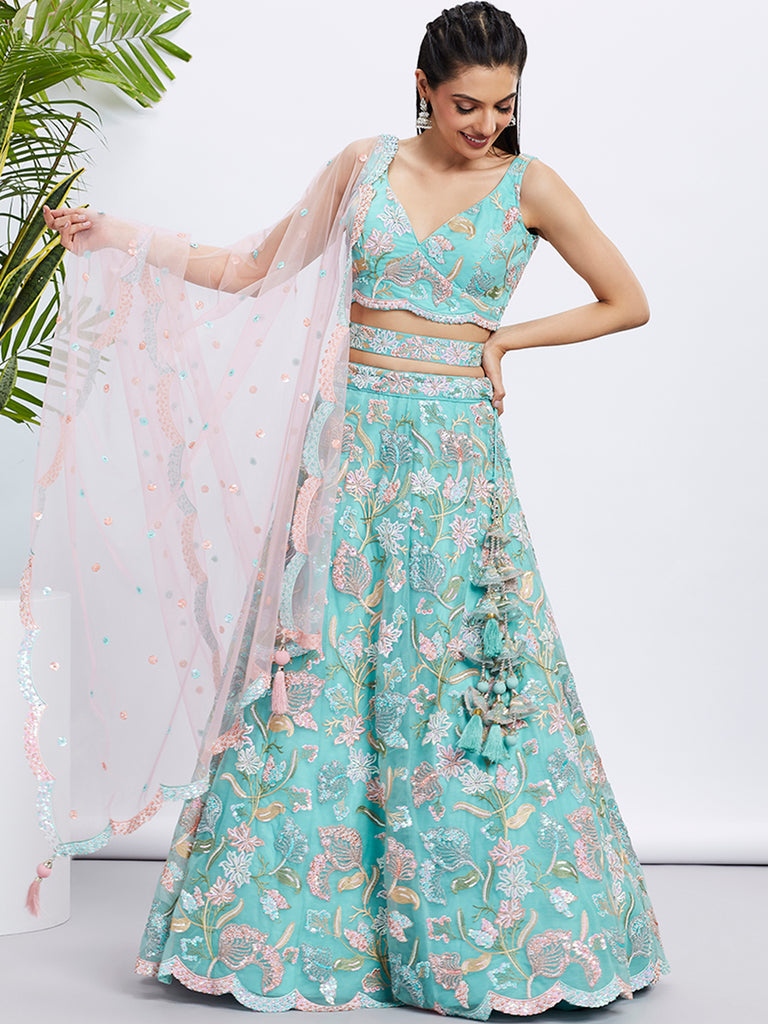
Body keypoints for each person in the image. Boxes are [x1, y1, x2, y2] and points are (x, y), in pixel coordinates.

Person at [36, 2, 669, 1016]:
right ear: (423, 88)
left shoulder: (531, 185)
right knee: (316, 676)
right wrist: (119, 236)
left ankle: (480, 933)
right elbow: (252, 270)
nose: (487, 125)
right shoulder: (362, 166)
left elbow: (626, 300)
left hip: (455, 465)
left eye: (504, 106)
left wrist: (504, 340)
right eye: (466, 105)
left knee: (462, 678)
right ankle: (307, 932)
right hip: (349, 453)